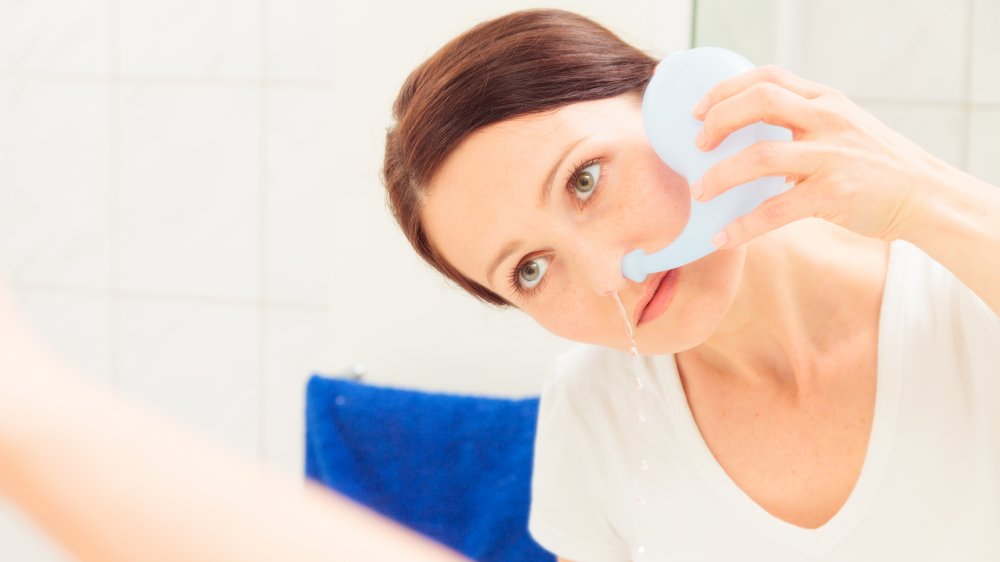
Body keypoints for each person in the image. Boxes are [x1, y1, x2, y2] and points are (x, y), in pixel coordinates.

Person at [383, 8, 1000, 561]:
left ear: (680, 100)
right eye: (531, 271)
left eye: (584, 181)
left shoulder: (965, 292)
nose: (608, 276)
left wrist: (924, 197)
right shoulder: (593, 411)